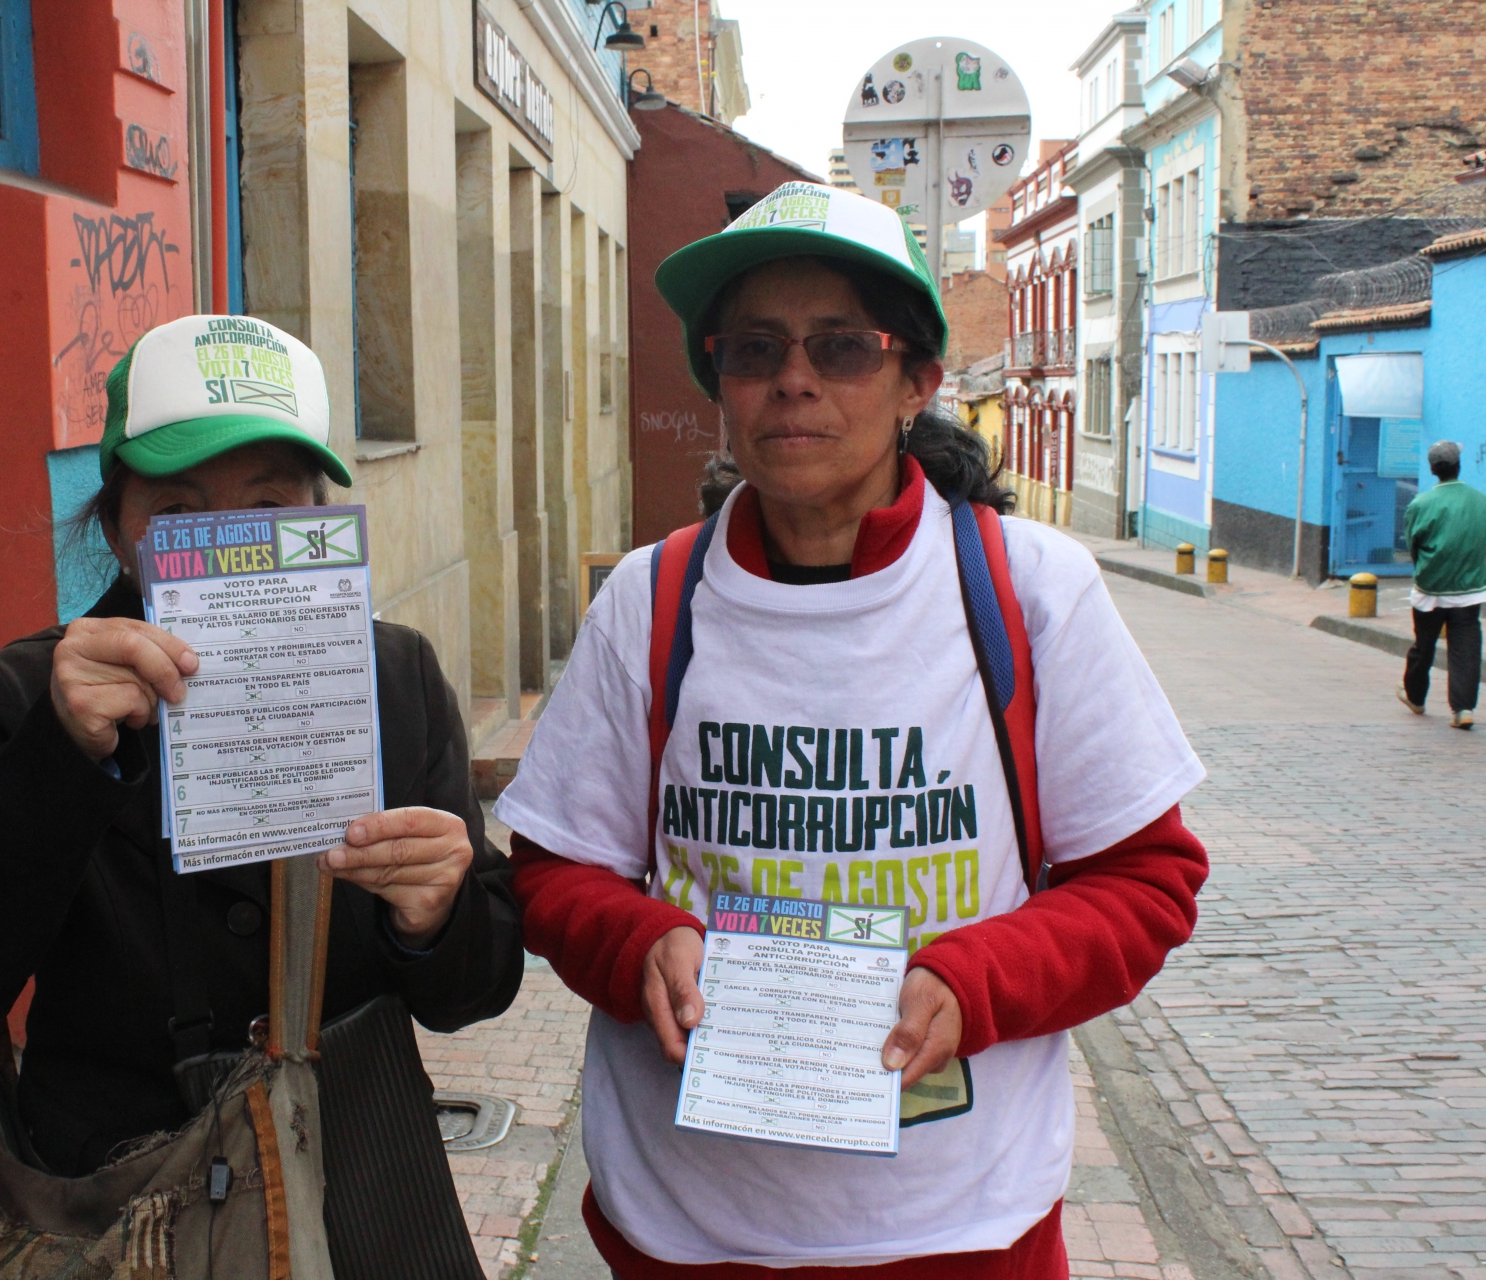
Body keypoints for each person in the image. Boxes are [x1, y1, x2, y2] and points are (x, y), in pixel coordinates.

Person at [495, 182, 1209, 1278]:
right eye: (755, 350)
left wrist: (976, 980)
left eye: (841, 347)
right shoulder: (651, 598)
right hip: (689, 1224)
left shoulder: (1029, 589)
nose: (794, 379)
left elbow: (1146, 881)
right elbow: (554, 870)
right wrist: (640, 945)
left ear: (918, 380)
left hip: (956, 1223)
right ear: (720, 384)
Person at [0, 314, 522, 1177]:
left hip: (354, 1181)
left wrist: (437, 916)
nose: (225, 547)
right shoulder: (31, 695)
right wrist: (60, 755)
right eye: (177, 512)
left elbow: (477, 988)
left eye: (267, 507)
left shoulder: (396, 680)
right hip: (121, 1199)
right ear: (117, 532)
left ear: (318, 516)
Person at [1398, 439, 1486, 730]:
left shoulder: (1420, 504)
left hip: (1431, 590)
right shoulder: (1480, 501)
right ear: (1458, 466)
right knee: (1466, 650)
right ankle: (1463, 709)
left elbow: (1413, 545)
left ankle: (1415, 697)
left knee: (1424, 646)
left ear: (1433, 469)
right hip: (1469, 590)